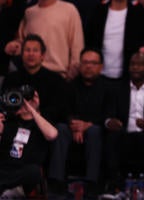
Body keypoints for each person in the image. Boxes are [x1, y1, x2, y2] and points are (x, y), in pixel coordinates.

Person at [103, 53, 144, 195]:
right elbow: (107, 116)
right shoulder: (118, 88)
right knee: (112, 136)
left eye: (139, 64)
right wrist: (110, 122)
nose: (135, 68)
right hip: (124, 134)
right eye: (132, 64)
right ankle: (114, 184)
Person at [48, 48, 109, 196]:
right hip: (72, 128)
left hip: (94, 128)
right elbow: (63, 111)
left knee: (95, 131)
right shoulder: (70, 85)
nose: (88, 66)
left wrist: (88, 124)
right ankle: (56, 181)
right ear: (80, 65)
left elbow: (109, 114)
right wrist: (74, 125)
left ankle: (92, 182)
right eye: (85, 62)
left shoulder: (108, 87)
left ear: (101, 67)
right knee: (60, 129)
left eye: (93, 63)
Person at [5, 0, 83, 79]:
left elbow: (77, 42)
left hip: (59, 74)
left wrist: (74, 68)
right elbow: (22, 40)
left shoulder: (69, 9)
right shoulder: (29, 12)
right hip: (32, 72)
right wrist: (14, 45)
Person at [0, 91, 58, 196]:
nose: (24, 102)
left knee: (34, 171)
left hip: (25, 169)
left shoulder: (42, 123)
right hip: (6, 168)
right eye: (19, 99)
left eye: (26, 99)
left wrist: (32, 110)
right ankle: (9, 192)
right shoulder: (9, 122)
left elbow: (52, 134)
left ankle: (12, 192)